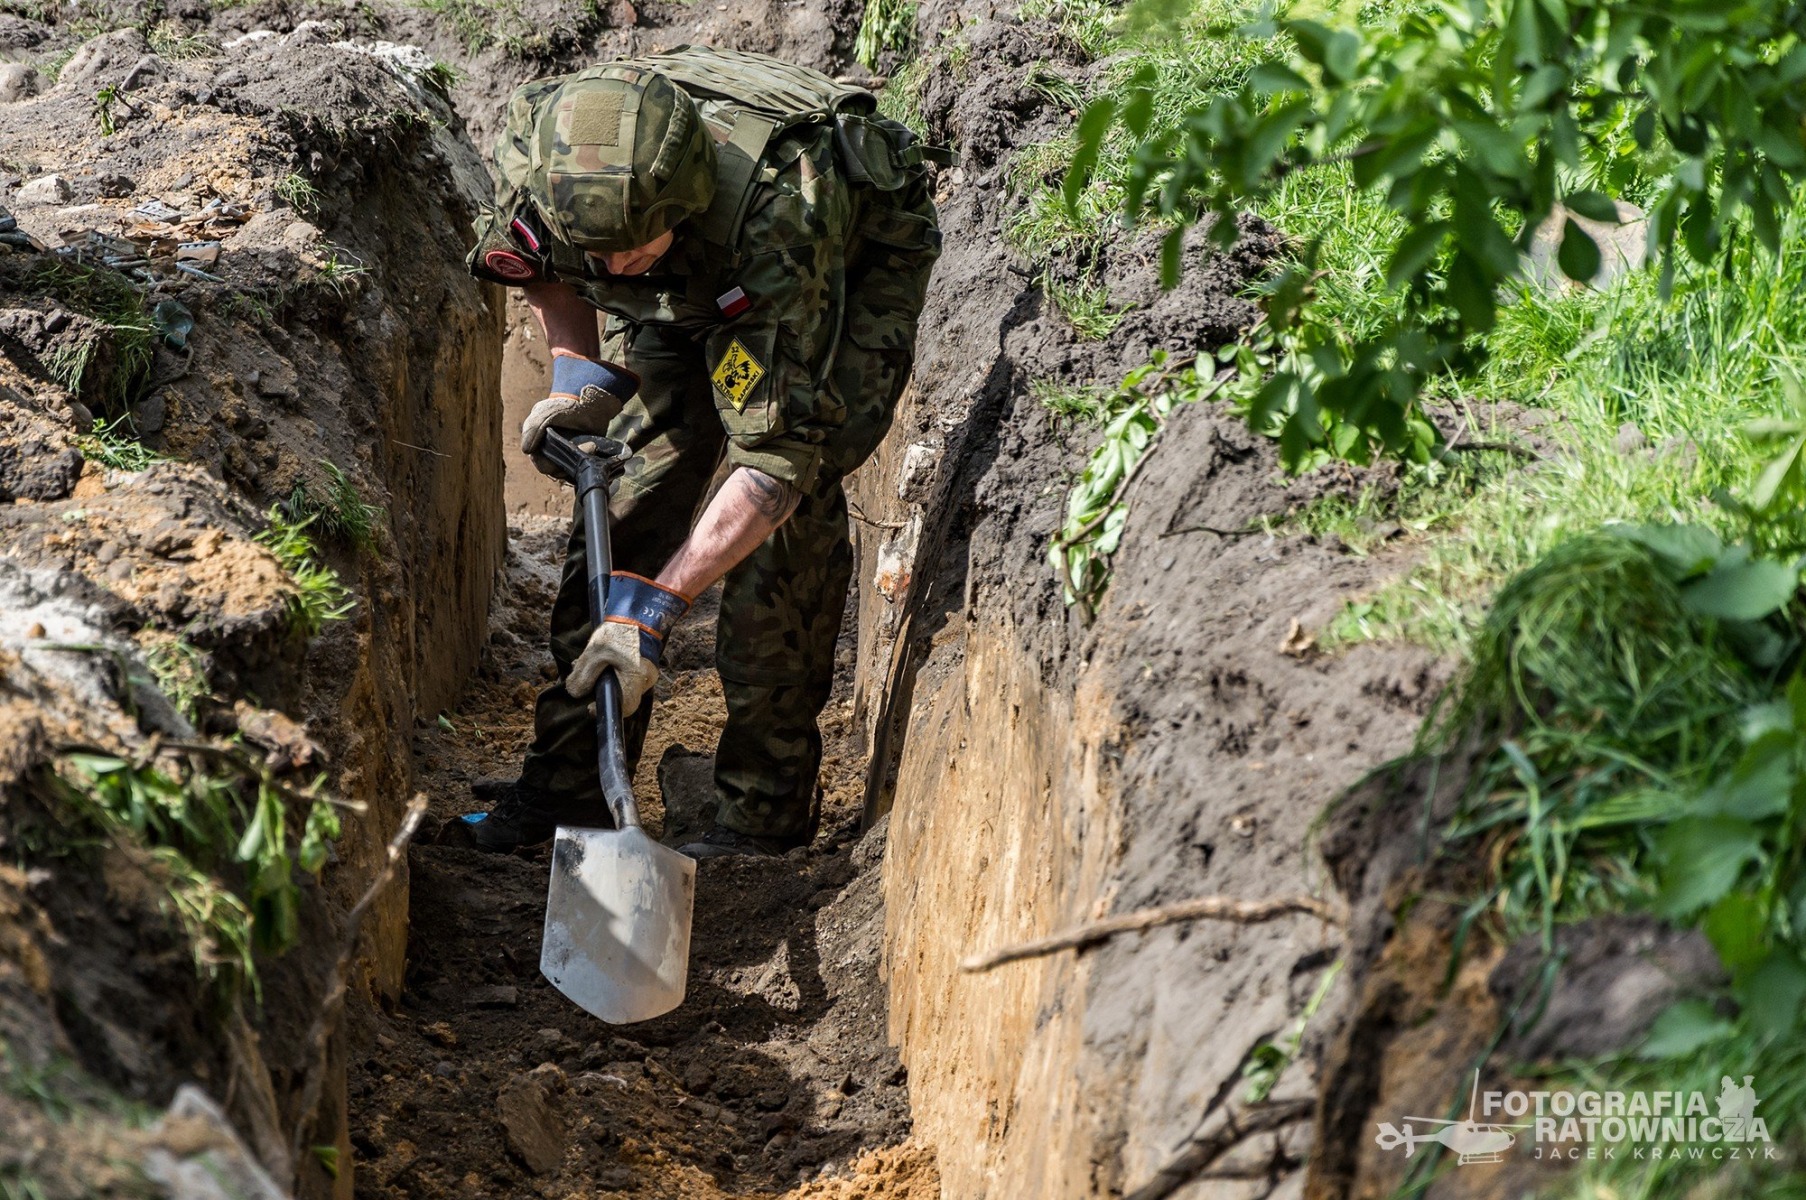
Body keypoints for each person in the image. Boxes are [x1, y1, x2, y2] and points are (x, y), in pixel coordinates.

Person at [459, 47, 943, 858]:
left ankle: (762, 808)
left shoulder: (783, 211)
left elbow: (775, 464)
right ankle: (569, 786)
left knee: (789, 525)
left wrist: (656, 611)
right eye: (598, 252)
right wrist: (581, 372)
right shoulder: (540, 162)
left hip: (838, 277)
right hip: (690, 275)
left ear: (679, 209)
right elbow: (541, 268)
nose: (610, 270)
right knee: (618, 506)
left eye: (628, 250)